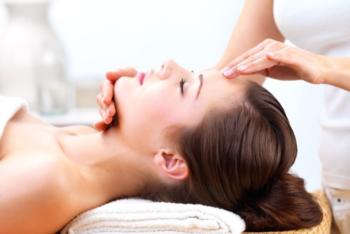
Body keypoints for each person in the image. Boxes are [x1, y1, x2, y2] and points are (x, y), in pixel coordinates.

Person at [97, 1, 350, 233]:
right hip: (338, 188)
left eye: (186, 83)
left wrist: (327, 67)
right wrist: (138, 100)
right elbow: (228, 80)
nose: (167, 62)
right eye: (189, 79)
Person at [0, 60, 322, 233]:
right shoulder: (70, 146)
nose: (169, 65)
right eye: (192, 72)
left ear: (170, 161)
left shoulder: (49, 181)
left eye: (184, 86)